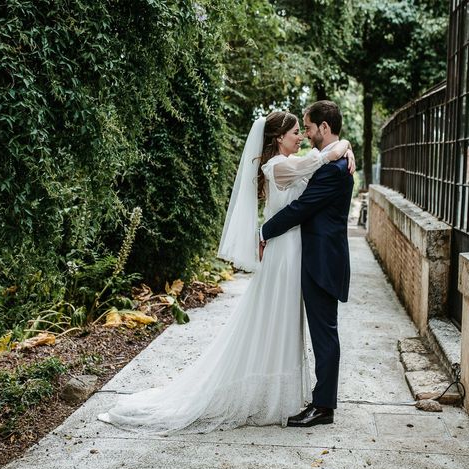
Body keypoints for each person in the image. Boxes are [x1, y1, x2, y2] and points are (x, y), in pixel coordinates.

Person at [96, 110, 354, 434]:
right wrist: (340, 147)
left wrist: (343, 147)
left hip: (296, 252)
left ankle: (294, 397)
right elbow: (311, 171)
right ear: (278, 139)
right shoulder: (278, 166)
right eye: (294, 133)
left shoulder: (301, 161)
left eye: (304, 130)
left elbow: (317, 161)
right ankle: (286, 397)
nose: (300, 136)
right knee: (275, 319)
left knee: (287, 323)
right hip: (285, 253)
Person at [260, 100, 354, 427]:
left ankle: (323, 407)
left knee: (324, 334)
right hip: (317, 259)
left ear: (324, 128)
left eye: (309, 128)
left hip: (322, 262)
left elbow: (301, 208)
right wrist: (345, 146)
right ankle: (322, 402)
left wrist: (264, 231)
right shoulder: (332, 162)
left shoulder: (333, 169)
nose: (307, 134)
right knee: (323, 332)